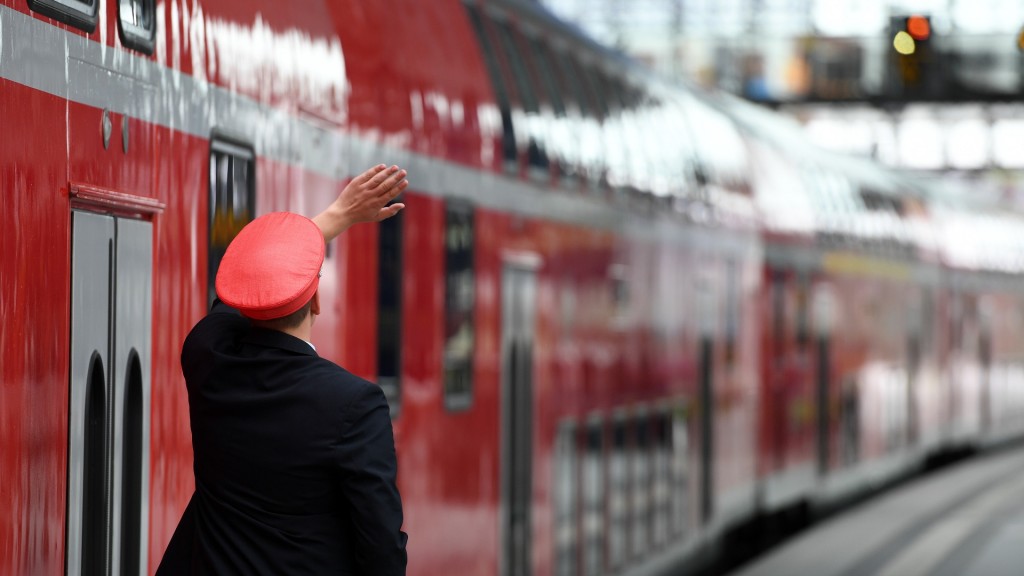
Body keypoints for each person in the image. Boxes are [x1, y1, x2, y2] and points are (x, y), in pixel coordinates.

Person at [156, 164, 410, 575]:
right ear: (316, 301)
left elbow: (239, 294)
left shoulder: (208, 359)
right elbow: (381, 548)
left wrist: (337, 216)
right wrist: (343, 216)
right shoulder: (354, 405)